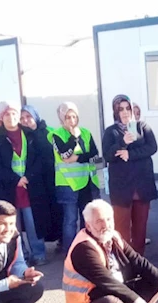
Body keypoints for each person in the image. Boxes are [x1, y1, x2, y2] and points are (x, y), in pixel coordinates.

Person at [0, 101, 50, 266]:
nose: (11, 117)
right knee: (12, 225)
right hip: (8, 188)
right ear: (1, 117)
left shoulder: (30, 134)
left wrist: (28, 176)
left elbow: (40, 159)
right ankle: (19, 256)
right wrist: (16, 179)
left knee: (32, 222)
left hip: (30, 186)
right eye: (7, 114)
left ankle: (39, 253)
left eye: (14, 113)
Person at [102, 95, 158, 256]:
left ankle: (139, 261)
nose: (126, 112)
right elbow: (108, 155)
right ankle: (124, 262)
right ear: (116, 111)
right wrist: (122, 142)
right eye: (121, 109)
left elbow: (152, 147)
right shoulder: (111, 131)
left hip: (142, 185)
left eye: (128, 108)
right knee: (121, 230)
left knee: (140, 229)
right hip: (122, 188)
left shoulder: (142, 126)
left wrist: (129, 154)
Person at [51, 102, 102, 256]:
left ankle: (86, 251)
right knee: (70, 220)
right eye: (67, 117)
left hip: (86, 182)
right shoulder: (56, 134)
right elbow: (65, 155)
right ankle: (70, 253)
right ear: (62, 119)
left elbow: (94, 156)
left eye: (74, 117)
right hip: (67, 184)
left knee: (86, 218)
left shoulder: (86, 132)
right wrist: (74, 138)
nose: (71, 120)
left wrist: (77, 158)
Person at [20, 104, 62, 244]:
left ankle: (61, 241)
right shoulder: (22, 136)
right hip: (33, 181)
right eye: (22, 118)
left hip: (51, 178)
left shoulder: (47, 131)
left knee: (56, 211)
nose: (25, 120)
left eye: (28, 116)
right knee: (39, 215)